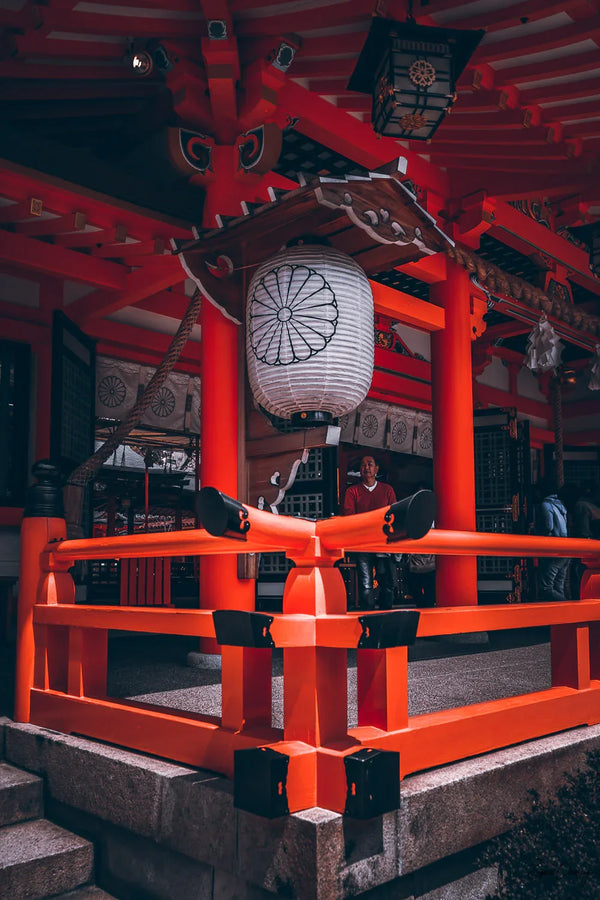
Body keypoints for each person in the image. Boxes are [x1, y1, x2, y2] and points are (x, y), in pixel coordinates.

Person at [342, 455, 396, 610]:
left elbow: (394, 514)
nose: (366, 467)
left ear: (376, 469)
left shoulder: (387, 490)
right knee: (366, 584)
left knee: (387, 582)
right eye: (363, 465)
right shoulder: (352, 491)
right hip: (363, 542)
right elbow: (349, 516)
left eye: (370, 464)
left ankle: (386, 614)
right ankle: (369, 616)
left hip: (383, 542)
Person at [535, 477, 569, 602]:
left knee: (546, 587)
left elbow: (548, 526)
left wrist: (534, 531)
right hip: (566, 548)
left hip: (555, 549)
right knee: (558, 586)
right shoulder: (559, 504)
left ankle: (569, 608)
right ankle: (562, 617)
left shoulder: (545, 504)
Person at [406, 481, 436, 608]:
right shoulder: (410, 513)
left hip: (432, 560)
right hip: (416, 559)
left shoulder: (437, 514)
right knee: (416, 591)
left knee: (430, 593)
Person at [571, 481, 600, 598]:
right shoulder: (586, 506)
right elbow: (584, 532)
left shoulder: (586, 506)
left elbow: (584, 532)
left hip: (591, 553)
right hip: (592, 552)